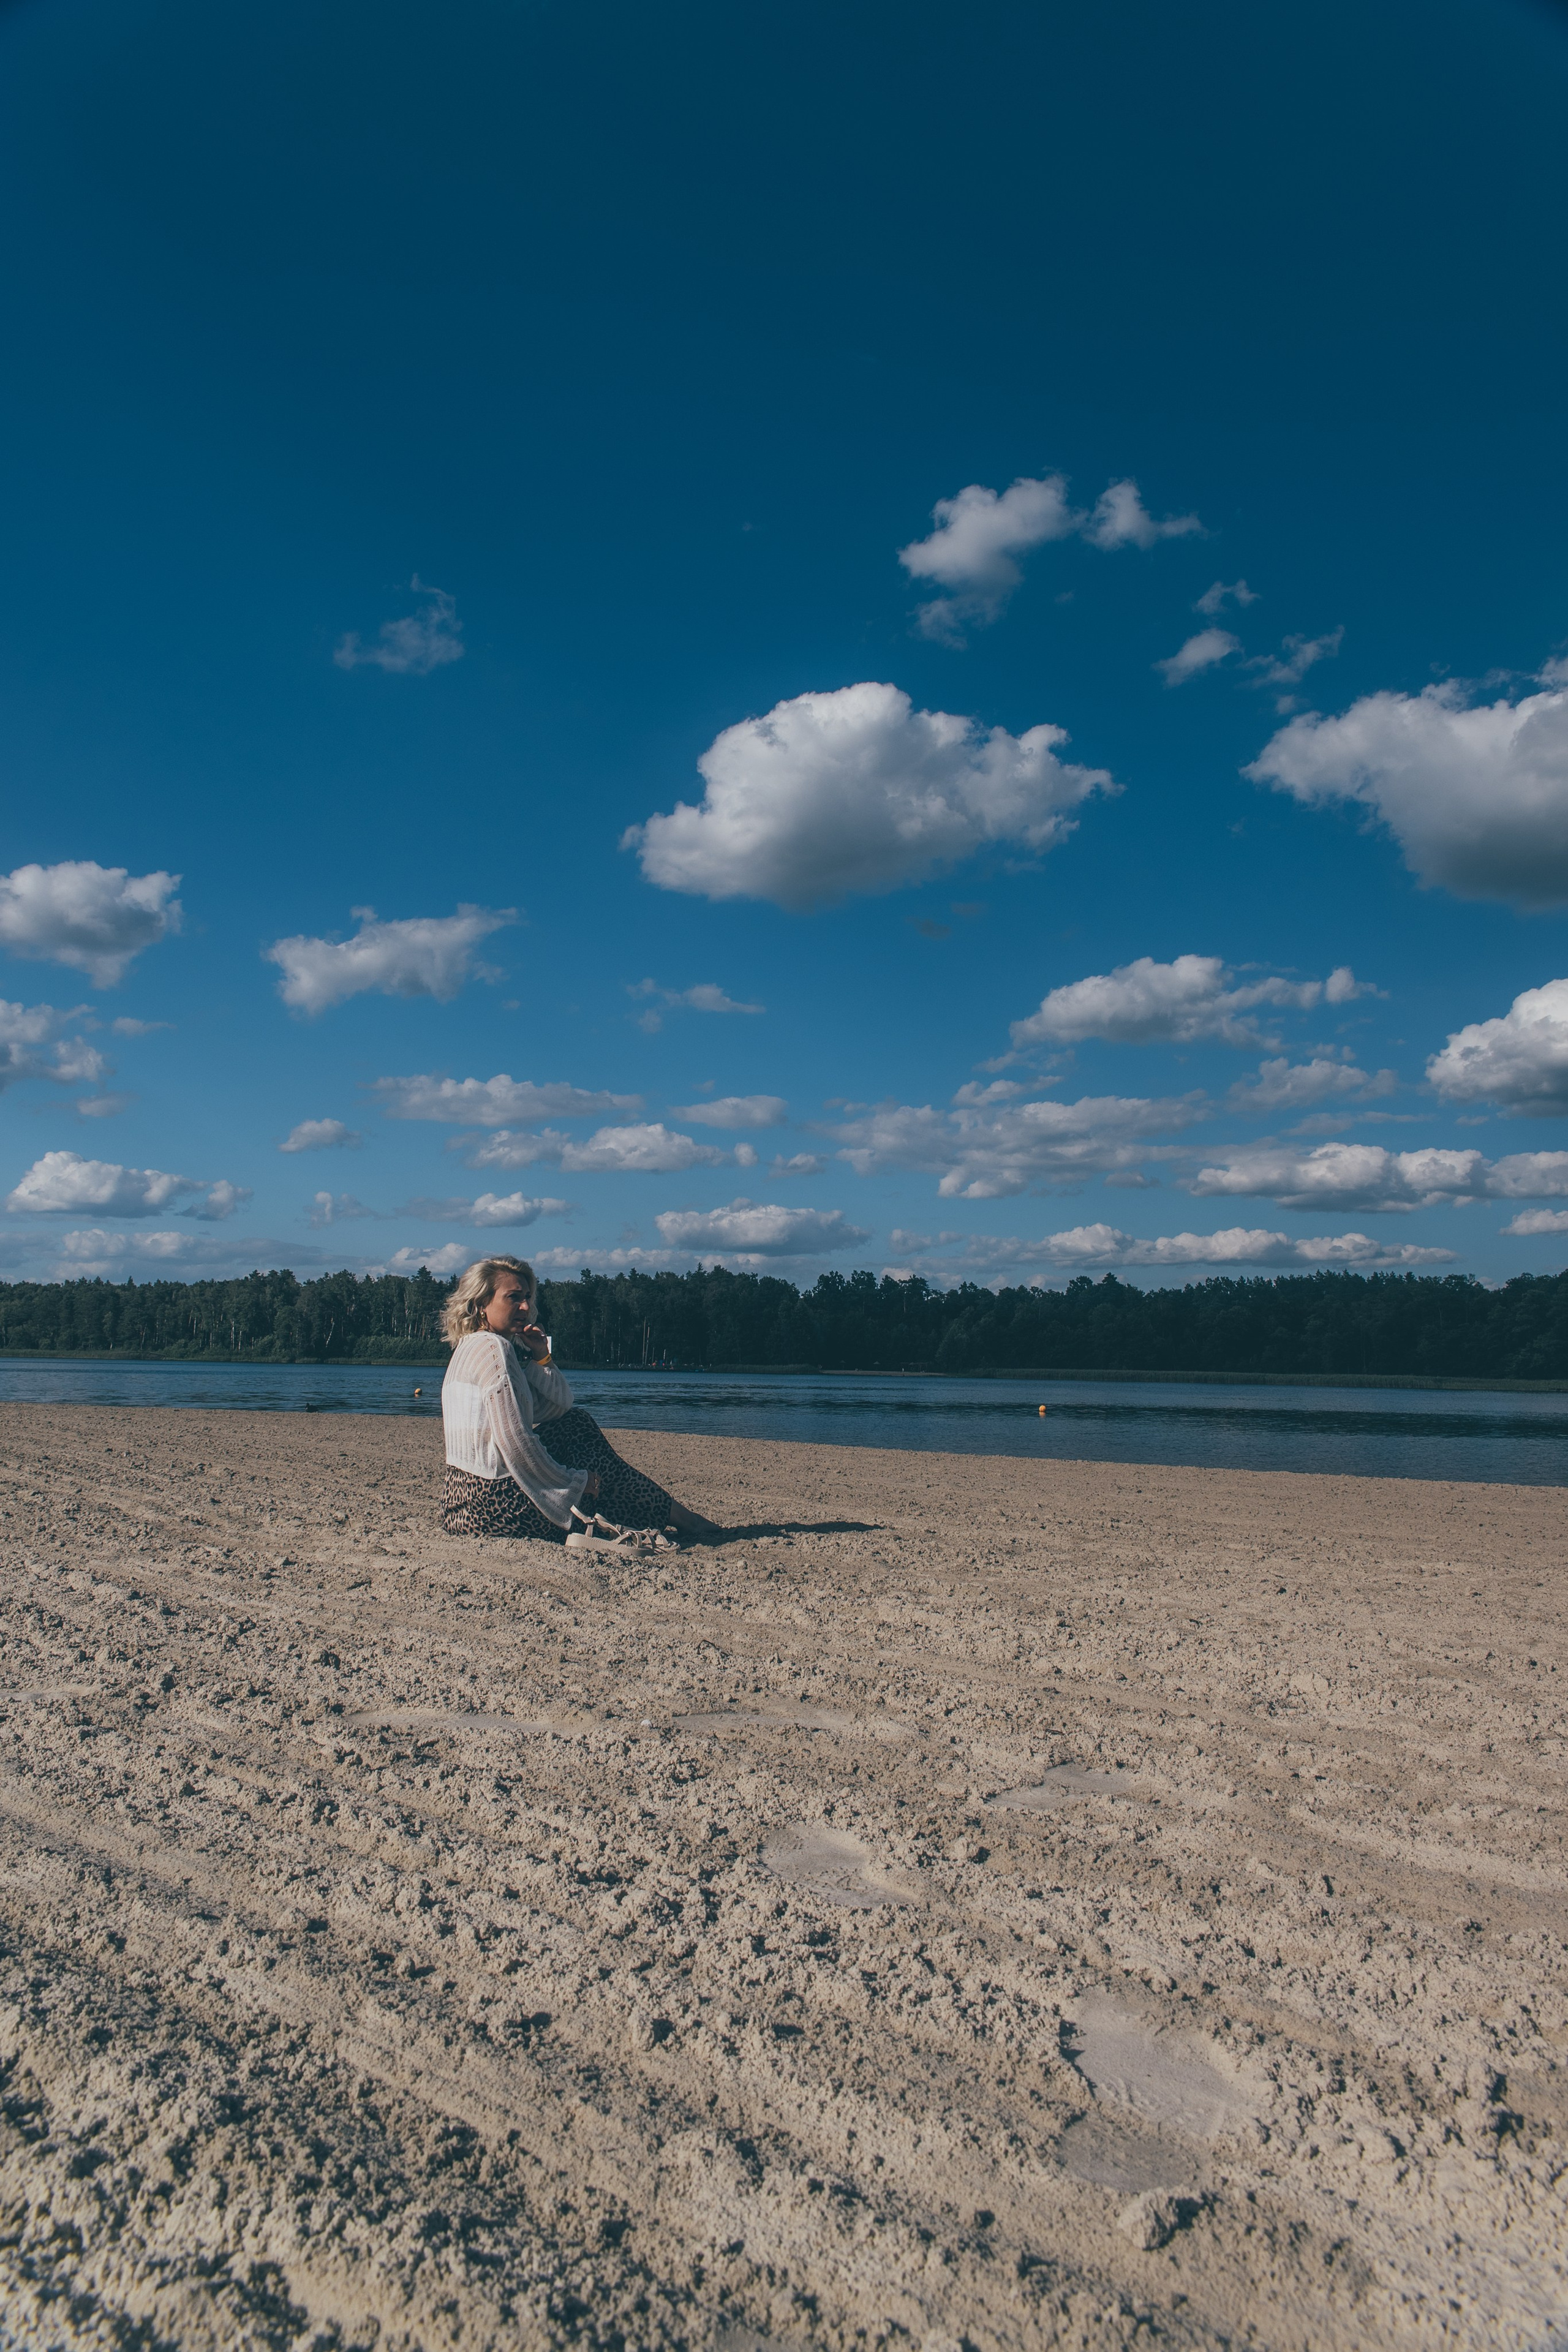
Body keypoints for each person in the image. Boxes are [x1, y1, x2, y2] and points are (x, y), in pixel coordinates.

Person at [439, 1254, 722, 1545]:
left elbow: (557, 1408)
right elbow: (515, 1441)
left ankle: (673, 1517)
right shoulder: (493, 1349)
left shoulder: (471, 1346)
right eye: (513, 1298)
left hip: (460, 1508)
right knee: (597, 1472)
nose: (525, 1307)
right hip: (495, 1509)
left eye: (527, 1297)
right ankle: (679, 1518)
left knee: (576, 1425)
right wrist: (574, 1482)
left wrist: (541, 1356)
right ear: (480, 1305)